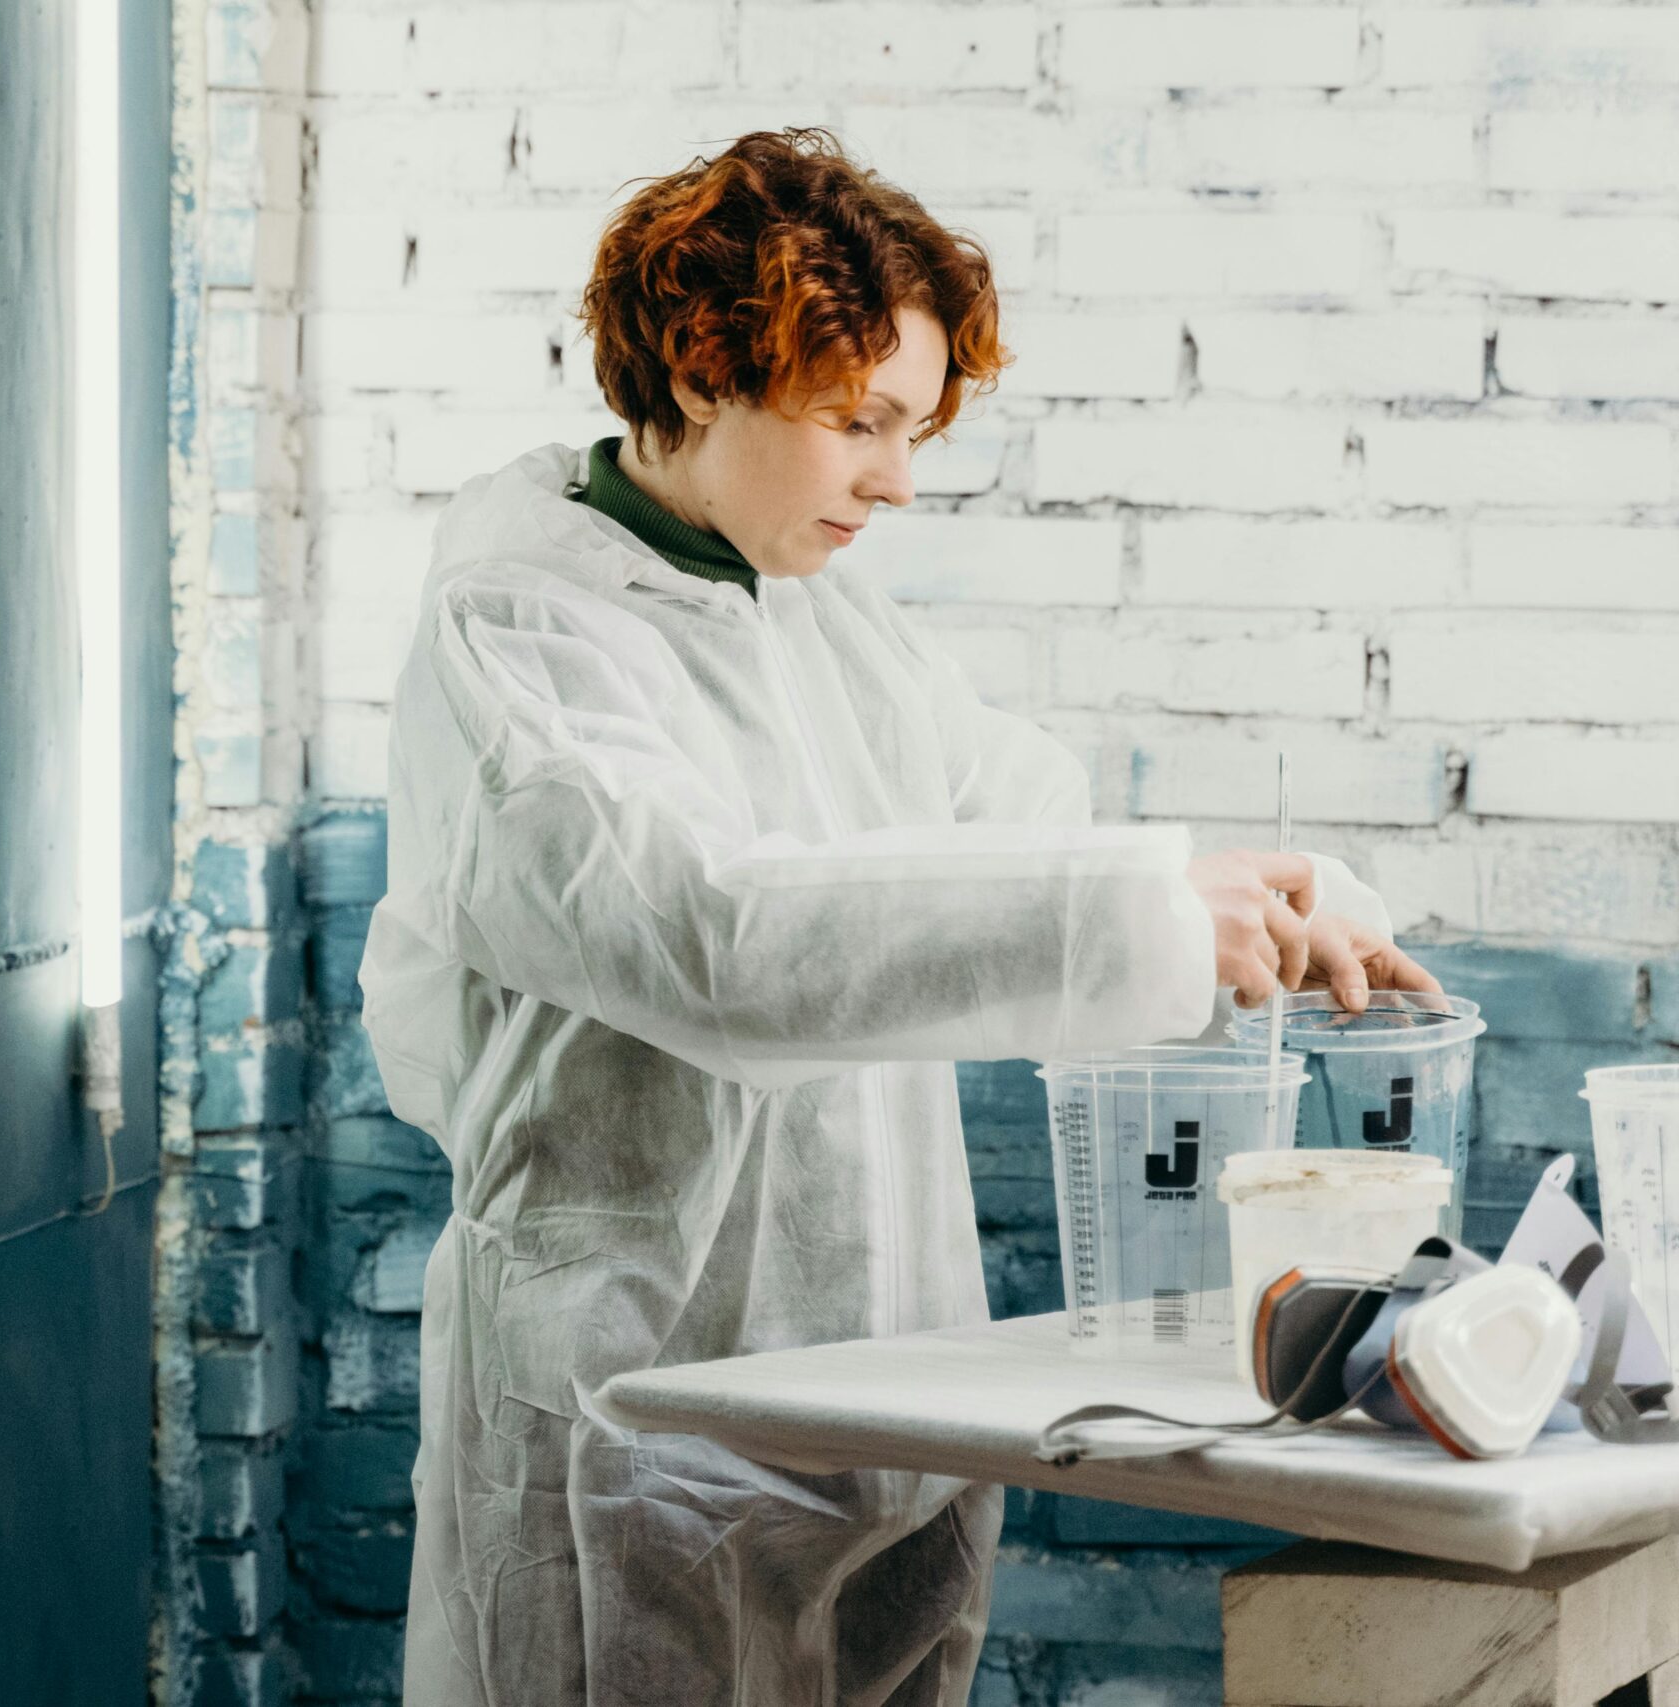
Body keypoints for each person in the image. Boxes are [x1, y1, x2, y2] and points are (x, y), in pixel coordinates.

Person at [356, 128, 1440, 1707]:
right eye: (856, 422)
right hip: (636, 1400)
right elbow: (710, 935)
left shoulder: (810, 604)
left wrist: (1263, 898)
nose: (897, 477)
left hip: (879, 1387)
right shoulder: (522, 625)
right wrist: (1141, 917)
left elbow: (1007, 824)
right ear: (704, 371)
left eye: (915, 426)